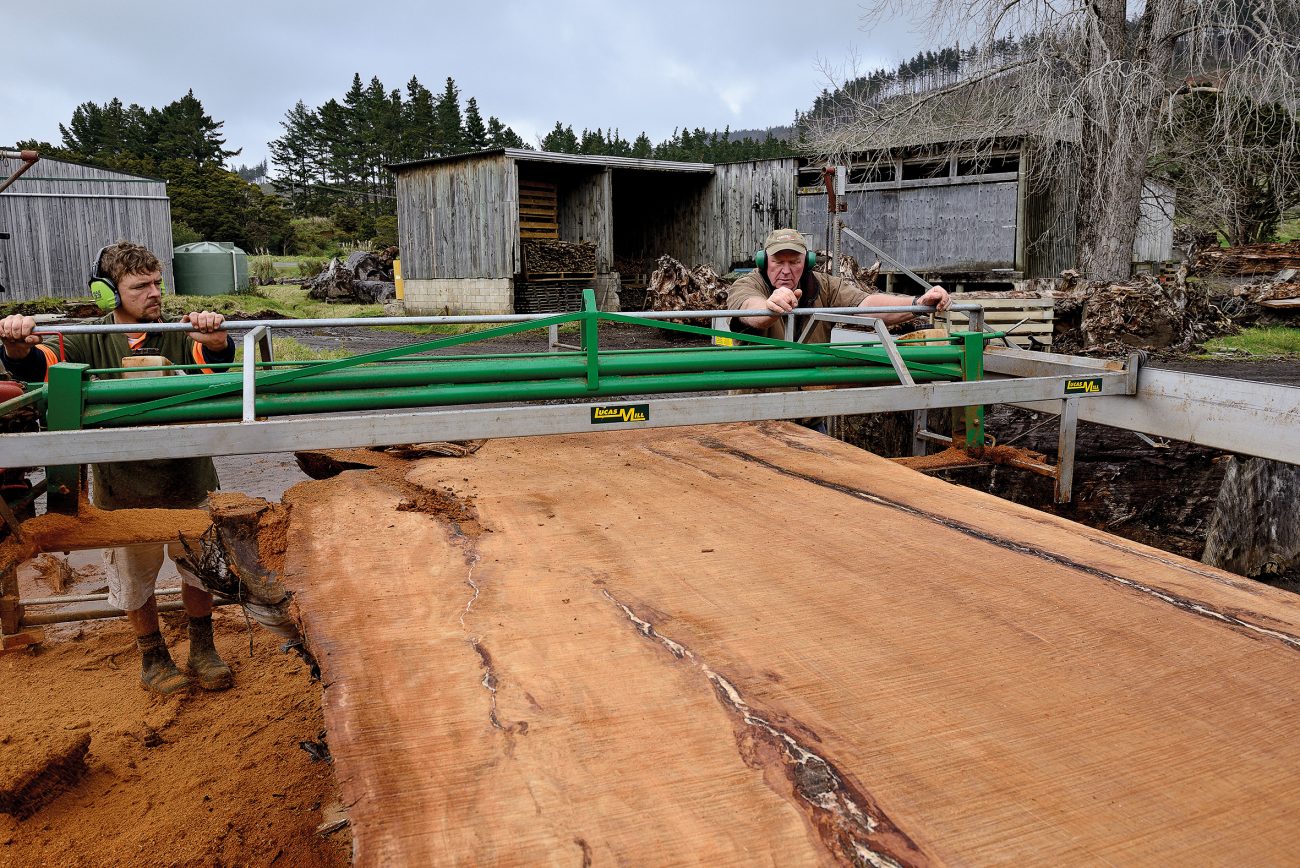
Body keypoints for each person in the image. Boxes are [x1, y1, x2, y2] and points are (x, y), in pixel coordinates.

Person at [0, 241, 238, 695]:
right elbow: (37, 369)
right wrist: (15, 343)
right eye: (139, 286)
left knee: (198, 567)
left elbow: (217, 373)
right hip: (121, 487)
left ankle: (203, 647)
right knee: (134, 579)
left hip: (189, 478)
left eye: (156, 283)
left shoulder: (179, 332)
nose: (154, 294)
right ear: (108, 293)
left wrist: (219, 341)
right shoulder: (84, 338)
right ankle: (152, 653)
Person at [728, 228, 952, 343]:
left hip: (810, 410)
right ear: (763, 261)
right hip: (758, 409)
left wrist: (917, 303)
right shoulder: (747, 285)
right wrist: (770, 308)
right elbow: (749, 309)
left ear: (807, 262)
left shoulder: (825, 286)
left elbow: (866, 303)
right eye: (778, 262)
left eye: (794, 262)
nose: (786, 270)